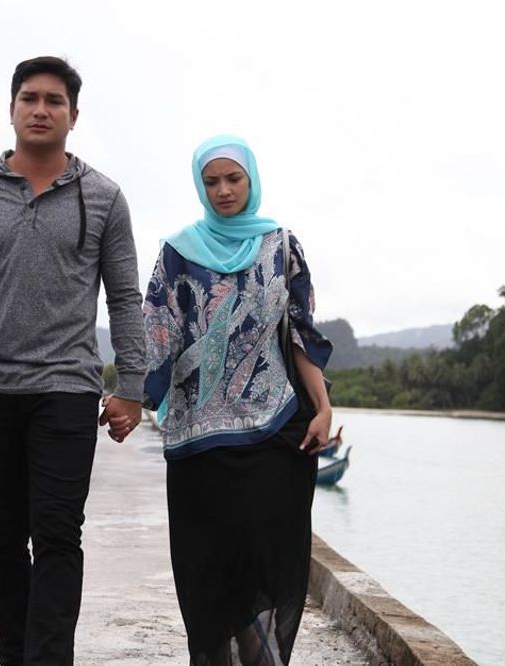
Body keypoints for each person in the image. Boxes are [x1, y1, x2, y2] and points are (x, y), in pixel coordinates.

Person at [0, 56, 145, 666]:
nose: (41, 110)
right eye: (29, 98)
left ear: (74, 115)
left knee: (57, 533)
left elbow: (125, 297)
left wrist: (131, 385)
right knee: (1, 539)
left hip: (67, 389)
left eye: (54, 100)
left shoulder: (104, 197)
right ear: (12, 108)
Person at [143, 134, 334, 665]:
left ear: (252, 180)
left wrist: (322, 408)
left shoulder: (281, 245)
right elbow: (155, 335)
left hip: (274, 438)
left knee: (265, 571)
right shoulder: (177, 253)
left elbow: (300, 335)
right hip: (198, 448)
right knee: (209, 579)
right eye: (211, 182)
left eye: (233, 179)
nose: (223, 190)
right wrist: (129, 398)